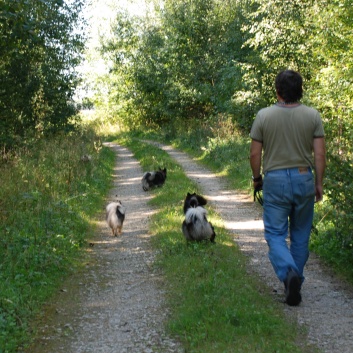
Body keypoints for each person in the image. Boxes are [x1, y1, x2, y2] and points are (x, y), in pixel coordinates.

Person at [249, 70, 326, 306]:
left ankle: (289, 274)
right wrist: (319, 183)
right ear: (300, 90)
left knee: (275, 234)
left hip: (275, 181)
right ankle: (295, 280)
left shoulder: (264, 116)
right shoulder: (313, 116)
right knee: (301, 234)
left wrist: (257, 178)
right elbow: (320, 153)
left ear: (277, 91)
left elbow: (254, 153)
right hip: (304, 178)